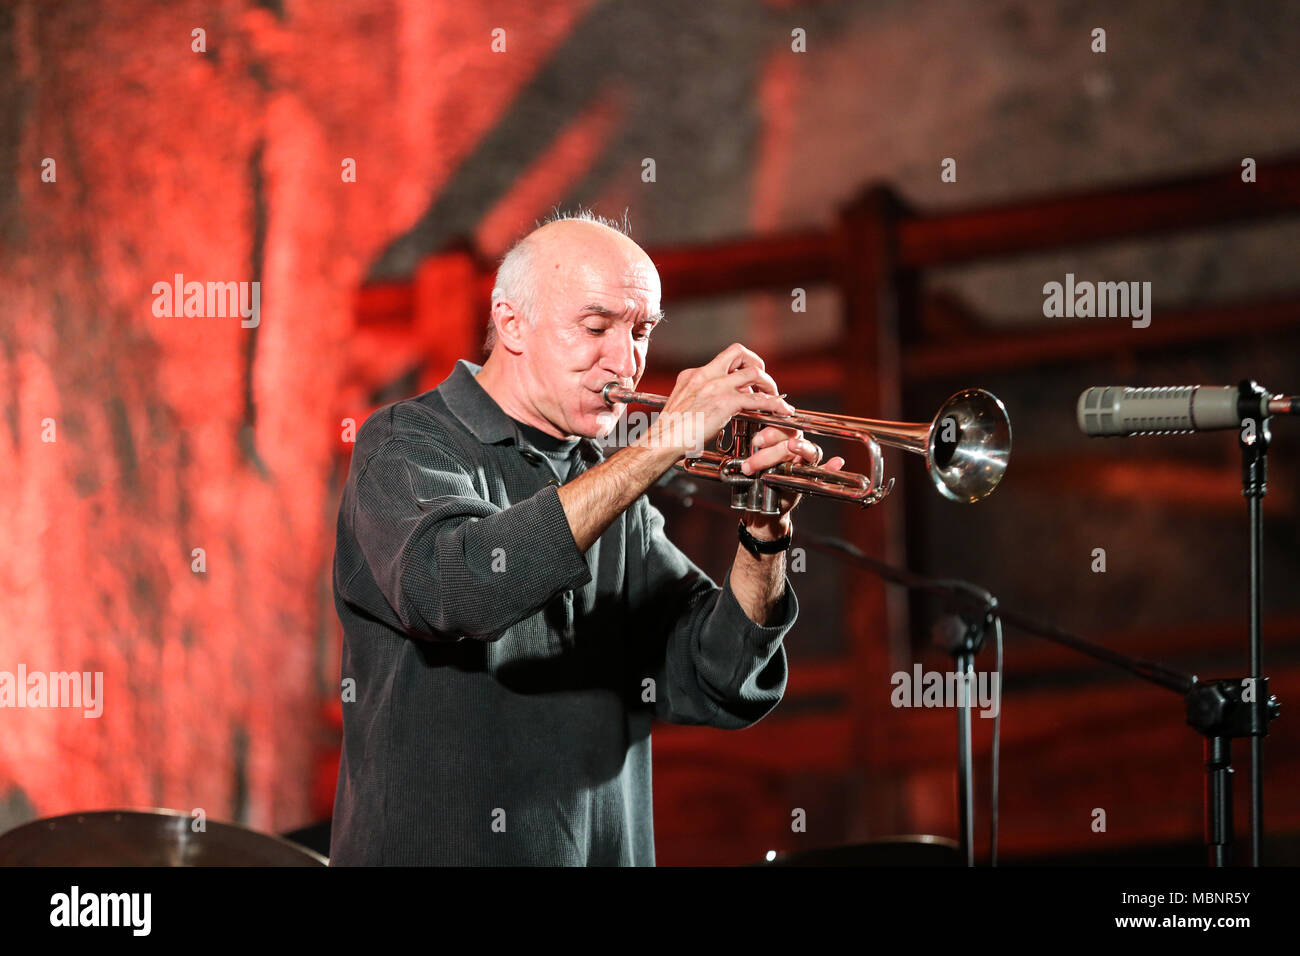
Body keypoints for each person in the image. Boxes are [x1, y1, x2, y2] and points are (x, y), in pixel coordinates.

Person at [329, 210, 844, 865]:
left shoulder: (609, 485)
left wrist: (765, 536)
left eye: (641, 331)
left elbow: (717, 679)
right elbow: (452, 590)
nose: (625, 359)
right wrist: (661, 446)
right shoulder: (406, 442)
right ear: (512, 324)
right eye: (597, 327)